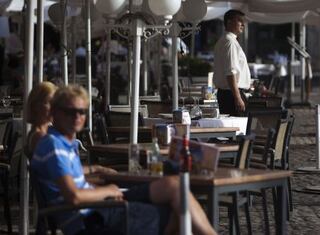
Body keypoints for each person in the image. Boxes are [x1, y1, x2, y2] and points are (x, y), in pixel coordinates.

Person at [30, 85, 216, 235]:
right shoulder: (53, 145)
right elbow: (75, 197)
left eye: (82, 111)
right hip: (92, 218)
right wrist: (107, 190)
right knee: (177, 213)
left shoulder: (62, 144)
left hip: (99, 206)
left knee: (173, 186)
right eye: (70, 112)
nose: (77, 116)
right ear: (55, 113)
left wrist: (100, 180)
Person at [213, 10, 251, 116]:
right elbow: (230, 72)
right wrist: (237, 97)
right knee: (237, 129)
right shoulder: (229, 42)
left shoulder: (226, 40)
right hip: (231, 95)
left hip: (228, 94)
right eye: (239, 20)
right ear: (229, 22)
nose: (243, 24)